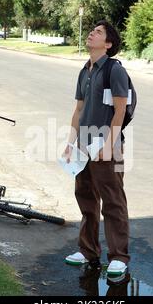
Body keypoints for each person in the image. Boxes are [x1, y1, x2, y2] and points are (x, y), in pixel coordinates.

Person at [62, 20, 130, 276]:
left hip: (108, 147)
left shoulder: (115, 71)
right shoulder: (84, 70)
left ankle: (119, 257)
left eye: (98, 32)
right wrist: (70, 143)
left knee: (113, 202)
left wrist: (110, 145)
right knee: (87, 199)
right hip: (83, 147)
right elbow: (78, 110)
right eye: (92, 30)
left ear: (108, 44)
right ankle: (88, 250)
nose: (92, 33)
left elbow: (120, 110)